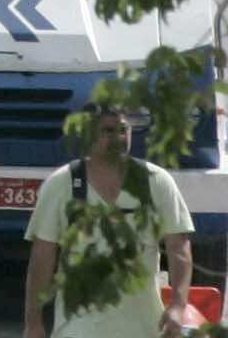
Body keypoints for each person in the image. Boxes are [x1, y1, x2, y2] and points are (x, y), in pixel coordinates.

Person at [24, 104, 195, 338]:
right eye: (108, 131)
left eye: (124, 130)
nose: (119, 138)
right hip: (77, 330)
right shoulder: (62, 184)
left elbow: (179, 247)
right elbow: (42, 257)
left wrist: (177, 305)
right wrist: (33, 323)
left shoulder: (156, 181)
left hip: (143, 329)